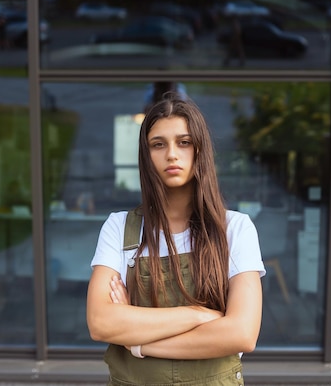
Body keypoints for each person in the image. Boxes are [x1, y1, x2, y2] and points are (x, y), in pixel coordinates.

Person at [87, 93, 265, 385]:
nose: (172, 154)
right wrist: (197, 314)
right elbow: (101, 323)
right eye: (158, 144)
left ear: (200, 150)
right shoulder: (119, 227)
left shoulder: (235, 229)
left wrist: (138, 344)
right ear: (147, 156)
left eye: (184, 142)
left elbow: (242, 334)